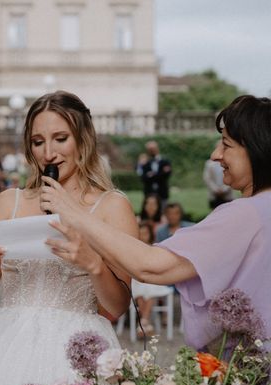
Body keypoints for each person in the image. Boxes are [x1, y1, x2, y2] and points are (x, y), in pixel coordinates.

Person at [0, 90, 138, 385]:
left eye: (60, 139)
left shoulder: (113, 207)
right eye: (38, 142)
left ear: (83, 140)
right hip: (6, 349)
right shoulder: (9, 202)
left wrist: (93, 264)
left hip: (78, 350)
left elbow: (119, 304)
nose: (48, 152)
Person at [42, 95, 271, 353]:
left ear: (256, 149)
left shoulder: (245, 214)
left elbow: (151, 267)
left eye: (226, 145)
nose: (216, 154)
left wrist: (75, 214)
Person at [203, 140, 234, 209]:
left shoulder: (231, 162)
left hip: (227, 195)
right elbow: (207, 178)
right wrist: (216, 189)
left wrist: (224, 189)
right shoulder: (209, 164)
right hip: (214, 195)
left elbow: (233, 176)